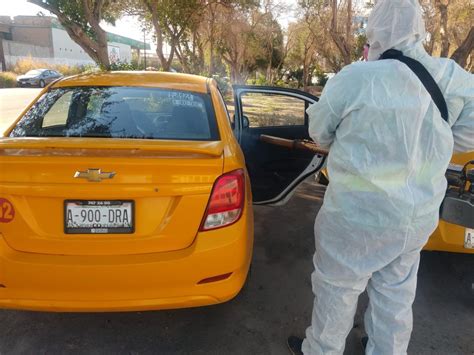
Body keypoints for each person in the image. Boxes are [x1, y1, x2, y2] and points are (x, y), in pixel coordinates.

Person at [287, 0, 474, 354]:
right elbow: (467, 135)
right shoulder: (450, 78)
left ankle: (322, 351)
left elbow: (320, 131)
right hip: (415, 219)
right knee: (395, 293)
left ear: (374, 30)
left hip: (355, 217)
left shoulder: (355, 77)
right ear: (419, 29)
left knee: (337, 288)